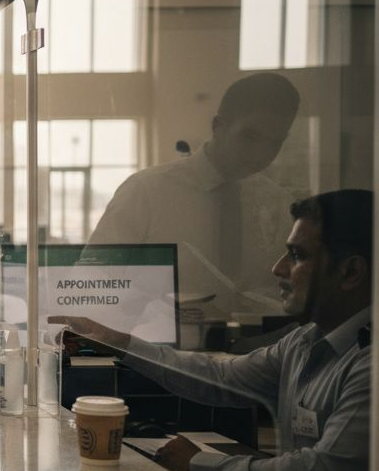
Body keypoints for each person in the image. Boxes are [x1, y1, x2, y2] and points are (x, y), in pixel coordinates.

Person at [56, 190, 371, 471]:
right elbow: (221, 377)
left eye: (298, 255)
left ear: (350, 272)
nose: (279, 268)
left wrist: (199, 464)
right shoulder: (305, 341)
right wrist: (117, 342)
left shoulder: (369, 362)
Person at [88, 73, 301, 314]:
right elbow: (93, 279)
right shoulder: (146, 191)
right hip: (157, 343)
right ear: (218, 127)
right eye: (249, 136)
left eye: (274, 142)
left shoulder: (278, 203)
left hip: (257, 347)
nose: (261, 153)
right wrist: (149, 310)